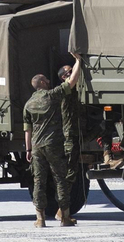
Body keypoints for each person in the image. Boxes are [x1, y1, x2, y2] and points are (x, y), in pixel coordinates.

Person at [24, 54, 82, 227]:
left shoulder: (28, 104)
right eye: (46, 80)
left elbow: (28, 130)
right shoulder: (51, 96)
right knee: (60, 179)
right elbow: (71, 83)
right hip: (53, 145)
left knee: (38, 181)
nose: (49, 81)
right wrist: (78, 61)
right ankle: (64, 217)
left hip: (36, 147)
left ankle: (40, 219)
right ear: (41, 83)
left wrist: (28, 150)